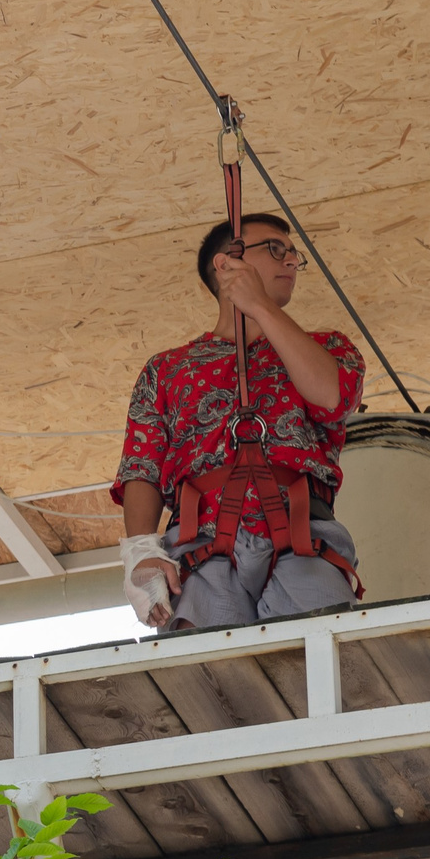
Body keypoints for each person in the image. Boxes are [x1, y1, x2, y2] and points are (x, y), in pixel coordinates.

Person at [116, 213, 365, 632]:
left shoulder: (327, 347)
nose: (290, 261)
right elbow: (142, 467)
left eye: (293, 254)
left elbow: (333, 397)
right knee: (208, 682)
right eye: (274, 248)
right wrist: (141, 550)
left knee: (329, 660)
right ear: (225, 264)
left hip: (305, 540)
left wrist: (261, 307)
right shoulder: (166, 370)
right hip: (202, 550)